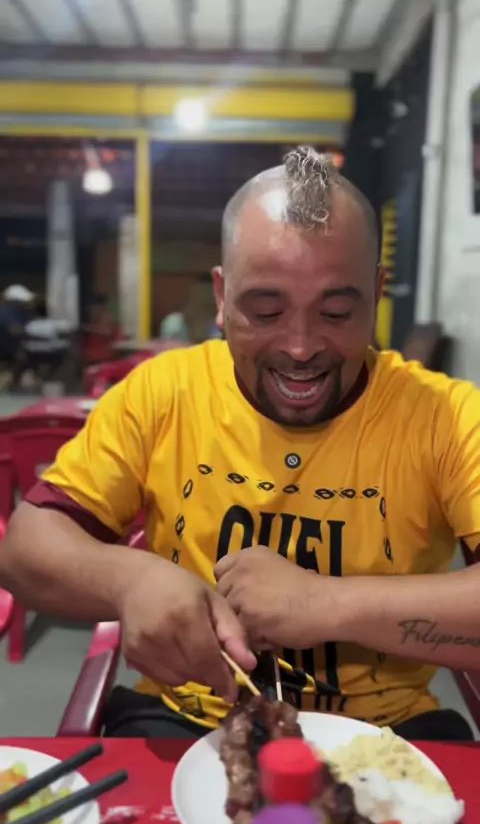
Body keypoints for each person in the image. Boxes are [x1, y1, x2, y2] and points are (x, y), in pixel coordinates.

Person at [2, 146, 480, 742]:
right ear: (222, 297)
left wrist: (326, 604)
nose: (301, 347)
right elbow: (25, 548)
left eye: (336, 312)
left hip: (387, 730)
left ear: (378, 292)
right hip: (186, 717)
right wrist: (128, 579)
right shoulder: (164, 392)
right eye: (266, 310)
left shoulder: (447, 417)